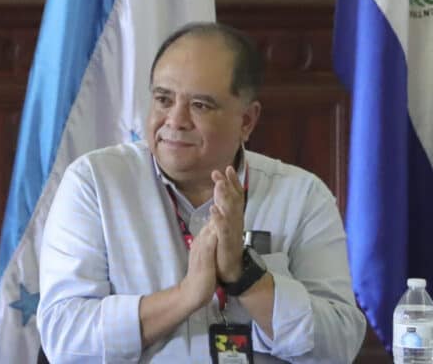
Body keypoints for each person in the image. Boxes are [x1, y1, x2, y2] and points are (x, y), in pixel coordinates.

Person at [37, 23, 365, 363]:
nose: (175, 120)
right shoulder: (94, 183)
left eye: (200, 105)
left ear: (247, 121)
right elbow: (64, 338)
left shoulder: (302, 196)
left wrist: (247, 279)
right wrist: (185, 296)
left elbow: (339, 346)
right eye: (163, 99)